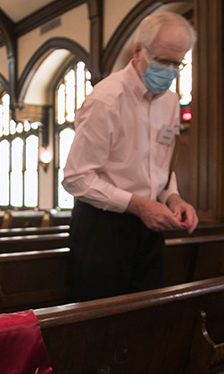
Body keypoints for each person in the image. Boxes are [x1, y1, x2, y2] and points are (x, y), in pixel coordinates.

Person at [62, 11, 199, 302]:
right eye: (163, 61)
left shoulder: (171, 102)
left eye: (178, 64)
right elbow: (76, 178)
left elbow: (160, 166)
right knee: (102, 321)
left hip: (150, 224)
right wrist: (139, 206)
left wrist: (172, 197)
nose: (170, 71)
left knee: (147, 315)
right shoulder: (106, 99)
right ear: (139, 50)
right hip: (103, 226)